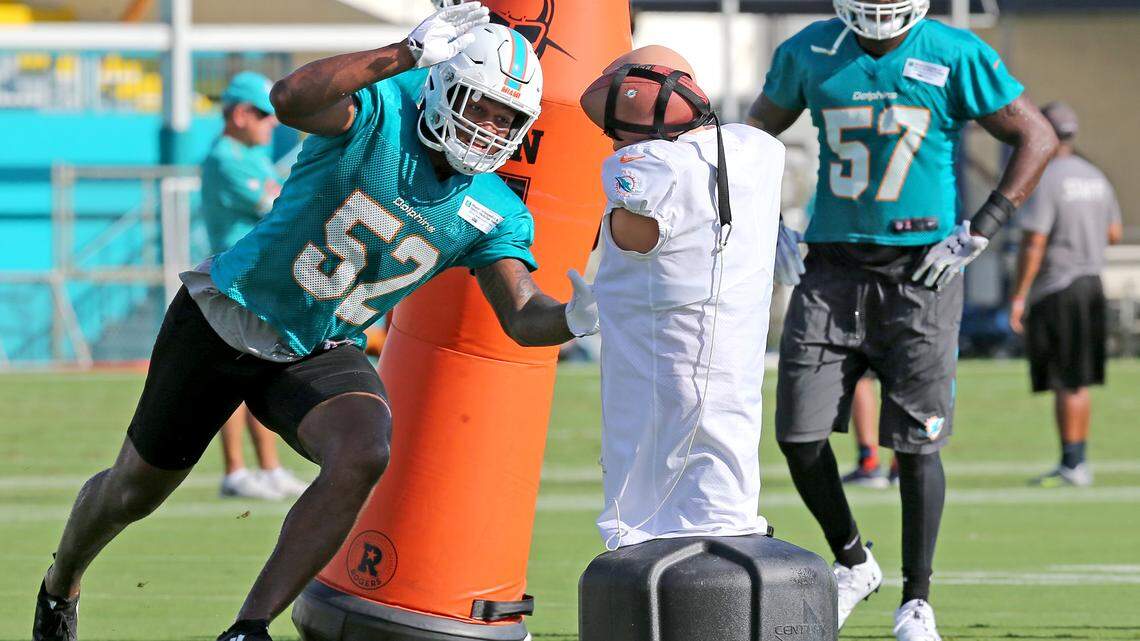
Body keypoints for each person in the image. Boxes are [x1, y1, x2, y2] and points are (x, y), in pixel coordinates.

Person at [32, 6, 600, 641]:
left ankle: (248, 628)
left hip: (319, 345)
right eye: (481, 107)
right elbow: (290, 99)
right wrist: (402, 53)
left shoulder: (494, 210)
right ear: (444, 88)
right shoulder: (382, 108)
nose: (491, 130)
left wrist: (577, 315)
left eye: (508, 120)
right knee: (133, 491)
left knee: (364, 451)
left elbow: (523, 318)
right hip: (231, 314)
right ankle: (62, 583)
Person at [749, 0, 1058, 638]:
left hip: (923, 271)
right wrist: (765, 220)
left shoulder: (954, 52)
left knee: (917, 445)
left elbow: (1037, 135)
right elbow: (752, 139)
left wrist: (986, 225)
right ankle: (854, 562)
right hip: (830, 268)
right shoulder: (811, 49)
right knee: (798, 435)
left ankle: (917, 600)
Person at [579, 46, 784, 550]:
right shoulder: (754, 148)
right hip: (731, 372)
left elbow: (632, 227)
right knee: (726, 514)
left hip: (660, 377)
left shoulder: (647, 168)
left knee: (649, 528)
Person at [200, 71, 309, 501]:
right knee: (235, 379)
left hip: (256, 282)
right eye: (266, 114)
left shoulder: (252, 155)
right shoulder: (225, 156)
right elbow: (278, 206)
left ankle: (267, 468)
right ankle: (236, 471)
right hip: (235, 281)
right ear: (242, 113)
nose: (274, 123)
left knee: (258, 375)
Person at [1009, 101, 1122, 488]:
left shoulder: (1049, 177)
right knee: (1080, 378)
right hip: (1092, 282)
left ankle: (1073, 462)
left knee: (1066, 379)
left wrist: (1019, 295)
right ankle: (1076, 458)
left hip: (1059, 285)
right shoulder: (1095, 176)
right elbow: (1114, 233)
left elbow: (1034, 241)